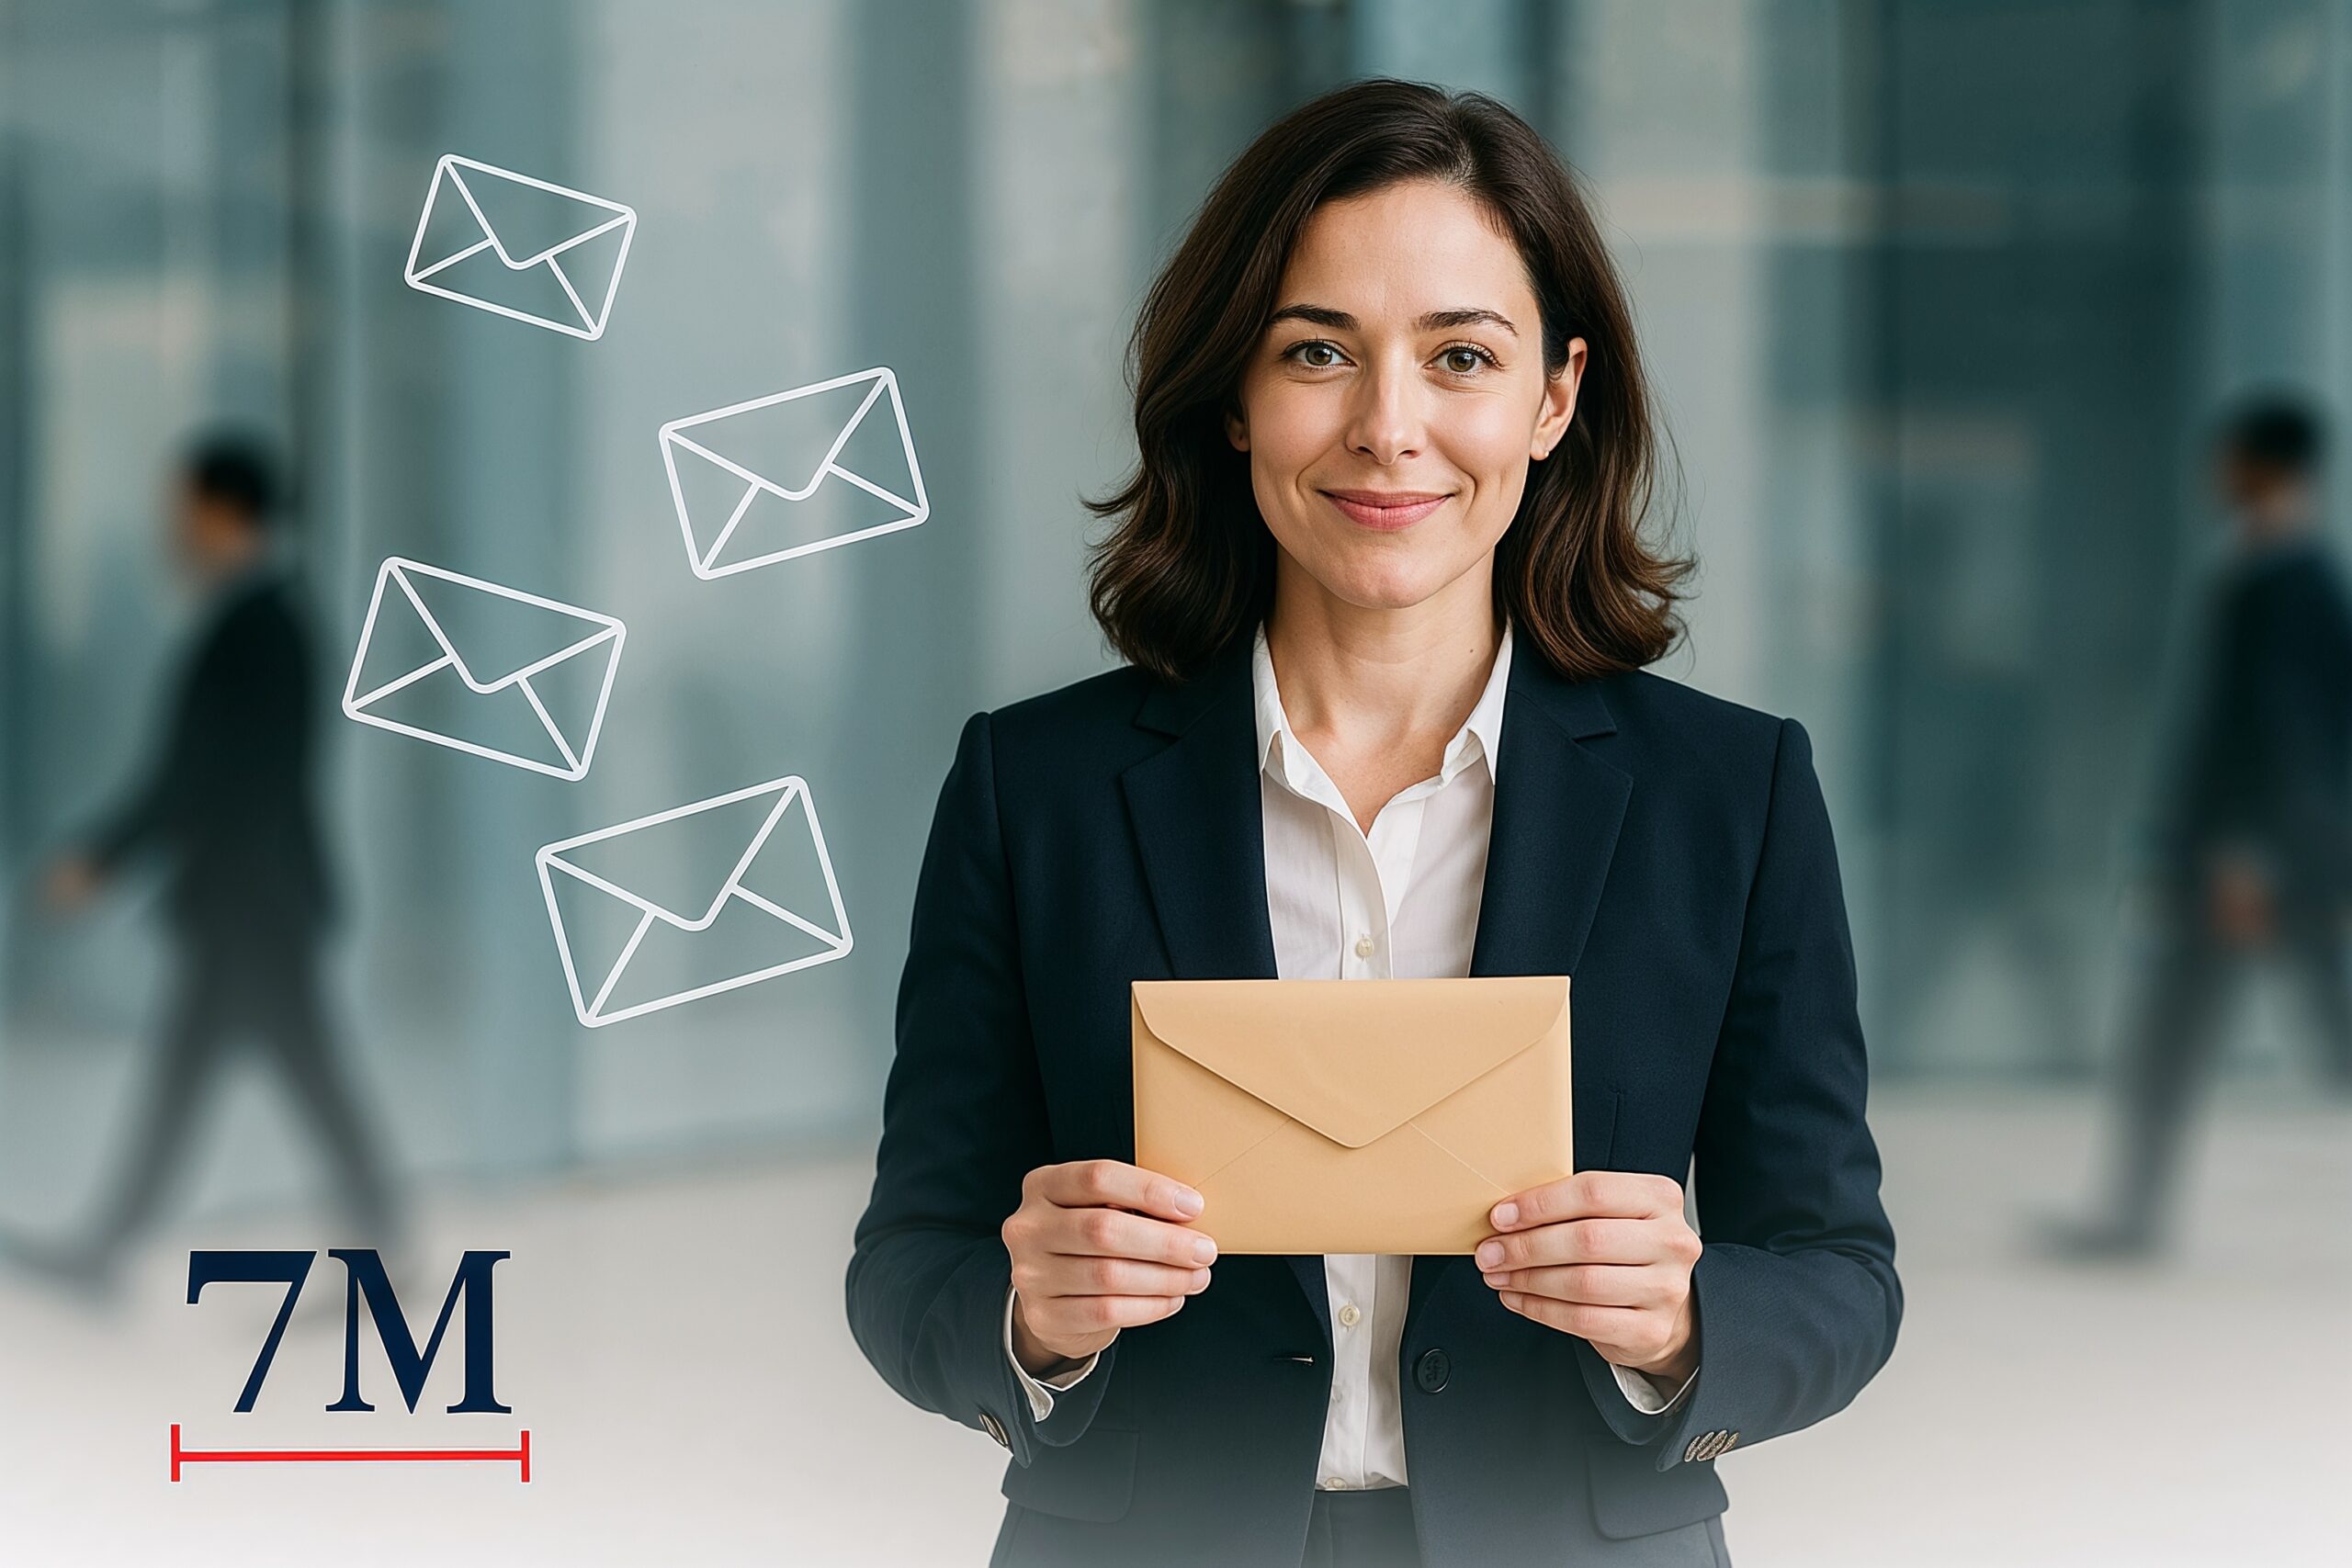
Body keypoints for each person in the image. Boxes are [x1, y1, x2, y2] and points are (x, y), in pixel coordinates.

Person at [845, 80, 1900, 1567]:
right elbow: (909, 1265)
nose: (1386, 428)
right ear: (1235, 396)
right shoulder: (1040, 788)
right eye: (1317, 352)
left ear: (1553, 396)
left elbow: (1842, 1277)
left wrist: (1682, 1322)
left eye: (1460, 355)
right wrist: (1027, 1316)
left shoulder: (1730, 794)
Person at [8, 432, 400, 1291]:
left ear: (223, 512)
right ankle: (109, 1250)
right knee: (253, 1081)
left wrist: (99, 860)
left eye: (181, 509)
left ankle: (107, 1253)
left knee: (285, 1081)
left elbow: (200, 779)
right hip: (251, 906)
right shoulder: (263, 621)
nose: (170, 528)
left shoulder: (257, 629)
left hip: (250, 909)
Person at [2047, 390, 2352, 1261]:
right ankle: (2132, 1215)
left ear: (2265, 465)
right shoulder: (2269, 571)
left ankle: (2133, 1217)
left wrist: (2250, 858)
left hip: (2247, 864)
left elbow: (2289, 735)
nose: (2217, 474)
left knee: (2200, 1036)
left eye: (2231, 457)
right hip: (2240, 857)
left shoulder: (2289, 583)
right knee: (2174, 1040)